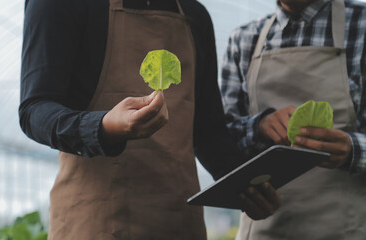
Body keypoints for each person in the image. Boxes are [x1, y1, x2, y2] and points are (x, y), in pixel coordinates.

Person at [19, 0, 254, 239]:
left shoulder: (195, 15)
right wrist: (102, 127)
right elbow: (34, 110)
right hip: (95, 222)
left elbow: (209, 134)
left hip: (177, 223)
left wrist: (248, 185)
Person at [220, 0, 366, 239]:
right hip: (262, 229)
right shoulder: (244, 39)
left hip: (348, 228)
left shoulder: (361, 23)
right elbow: (220, 141)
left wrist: (354, 150)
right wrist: (259, 126)